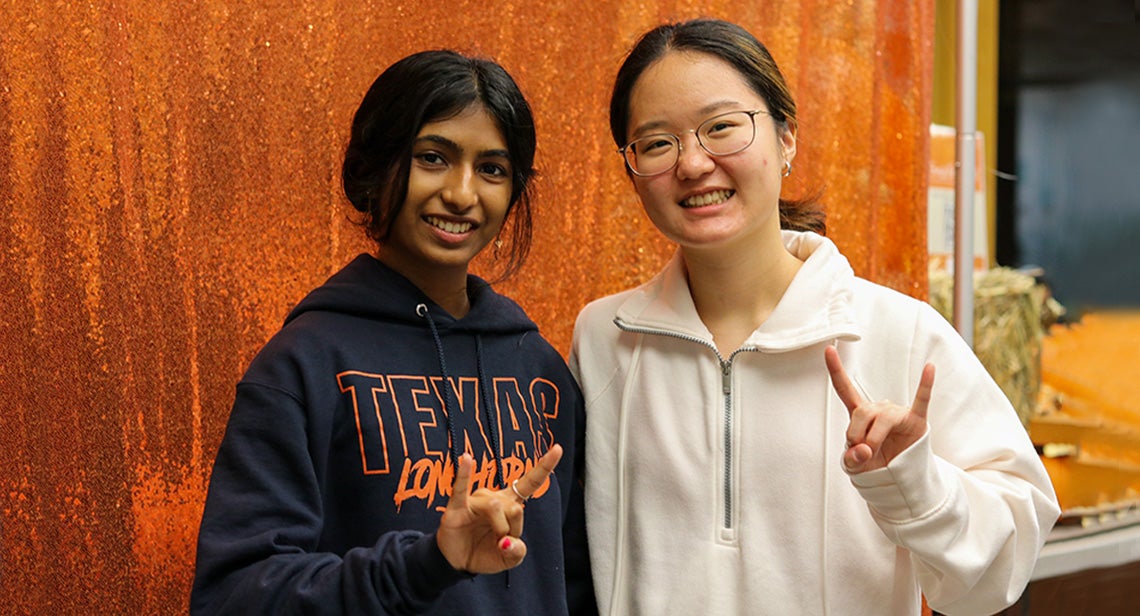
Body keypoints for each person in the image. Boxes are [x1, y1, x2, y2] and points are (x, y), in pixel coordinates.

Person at [570, 18, 1059, 616]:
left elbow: (999, 573)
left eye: (721, 127)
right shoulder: (604, 339)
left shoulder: (898, 333)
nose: (693, 164)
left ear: (787, 139)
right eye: (656, 143)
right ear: (632, 171)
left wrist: (916, 485)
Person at [191, 50, 595, 615]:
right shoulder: (304, 365)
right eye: (432, 158)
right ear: (376, 168)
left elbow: (578, 587)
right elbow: (232, 596)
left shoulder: (542, 373)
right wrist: (422, 565)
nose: (462, 193)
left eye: (492, 169)